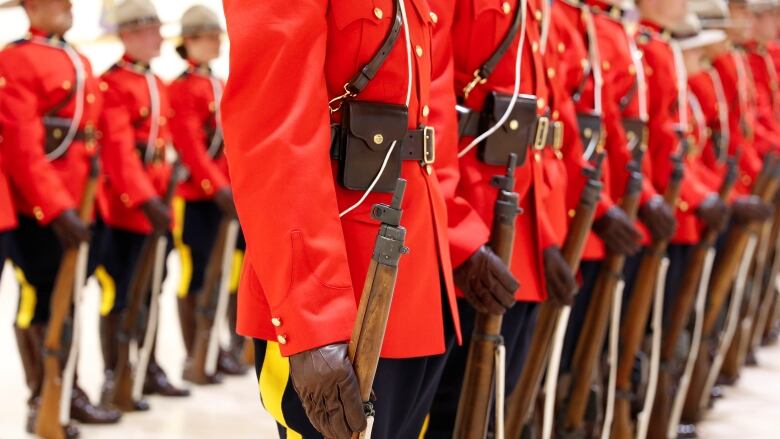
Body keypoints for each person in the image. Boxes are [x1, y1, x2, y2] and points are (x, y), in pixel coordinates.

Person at [220, 0, 516, 437]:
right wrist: (313, 318)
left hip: (418, 291)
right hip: (343, 296)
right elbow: (274, 131)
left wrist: (457, 239)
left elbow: (430, 122)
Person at [425, 0, 583, 435]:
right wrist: (459, 237)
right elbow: (429, 102)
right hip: (464, 225)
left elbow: (543, 129)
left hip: (519, 229)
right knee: (449, 407)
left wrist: (546, 237)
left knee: (496, 401)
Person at [0, 0, 121, 435]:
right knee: (40, 300)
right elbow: (22, 144)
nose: (68, 5)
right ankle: (41, 397)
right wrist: (54, 207)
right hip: (42, 208)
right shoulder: (16, 58)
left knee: (70, 301)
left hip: (83, 201)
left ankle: (68, 389)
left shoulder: (79, 57)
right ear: (32, 6)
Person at [95, 0, 189, 408]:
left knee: (151, 289)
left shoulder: (158, 83)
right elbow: (118, 152)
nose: (159, 38)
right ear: (129, 33)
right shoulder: (113, 84)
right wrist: (146, 199)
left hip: (158, 204)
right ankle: (116, 371)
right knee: (120, 294)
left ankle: (146, 365)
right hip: (125, 209)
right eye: (151, 30)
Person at [168, 4, 246, 384]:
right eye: (208, 35)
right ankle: (193, 354)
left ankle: (218, 348)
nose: (217, 40)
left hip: (227, 197)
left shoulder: (218, 83)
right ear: (189, 42)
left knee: (226, 276)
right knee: (194, 277)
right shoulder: (181, 88)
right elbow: (191, 147)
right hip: (197, 199)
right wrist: (216, 188)